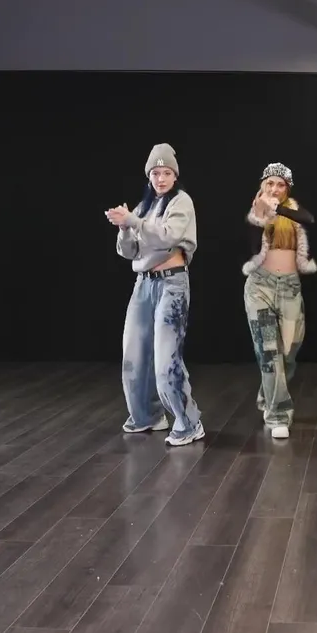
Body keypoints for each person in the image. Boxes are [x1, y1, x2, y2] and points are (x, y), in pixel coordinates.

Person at [107, 143, 205, 447]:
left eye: (166, 173)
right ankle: (147, 416)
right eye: (155, 173)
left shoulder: (181, 202)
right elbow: (129, 251)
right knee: (133, 356)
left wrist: (133, 222)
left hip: (172, 285)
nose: (160, 178)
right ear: (149, 176)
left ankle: (189, 422)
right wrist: (125, 228)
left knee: (166, 360)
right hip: (144, 284)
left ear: (175, 176)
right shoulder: (144, 206)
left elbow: (168, 236)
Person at [243, 163, 316, 440]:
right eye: (270, 183)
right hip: (260, 287)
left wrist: (280, 210)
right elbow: (252, 247)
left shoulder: (294, 211)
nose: (275, 189)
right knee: (269, 352)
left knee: (290, 350)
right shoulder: (255, 211)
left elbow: (310, 219)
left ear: (287, 189)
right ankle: (278, 414)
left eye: (281, 184)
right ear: (263, 185)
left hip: (289, 288)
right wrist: (263, 215)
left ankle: (268, 393)